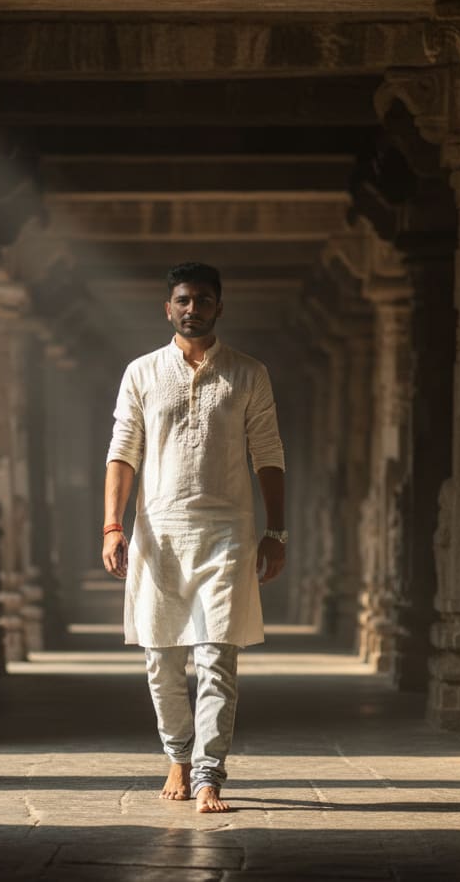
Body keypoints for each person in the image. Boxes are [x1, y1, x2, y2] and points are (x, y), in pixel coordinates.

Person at [102, 261, 286, 813]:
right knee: (161, 659)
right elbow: (122, 452)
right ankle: (177, 756)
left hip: (227, 533)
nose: (192, 309)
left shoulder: (248, 373)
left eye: (203, 300)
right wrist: (113, 525)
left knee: (215, 658)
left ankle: (208, 774)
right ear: (168, 308)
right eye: (183, 300)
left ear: (218, 307)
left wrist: (275, 530)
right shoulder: (142, 373)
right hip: (158, 533)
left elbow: (269, 454)